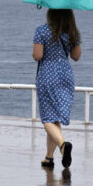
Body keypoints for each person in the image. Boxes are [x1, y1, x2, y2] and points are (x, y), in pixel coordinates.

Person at [33, 9, 82, 168]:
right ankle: (49, 157)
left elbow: (38, 55)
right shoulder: (72, 32)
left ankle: (62, 145)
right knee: (55, 118)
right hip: (65, 75)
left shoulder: (41, 31)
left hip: (48, 74)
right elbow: (76, 56)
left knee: (47, 118)